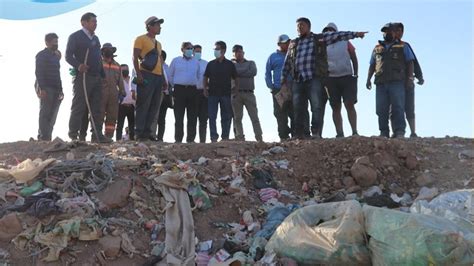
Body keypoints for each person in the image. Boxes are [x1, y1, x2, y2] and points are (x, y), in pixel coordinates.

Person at [282, 17, 367, 139]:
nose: (299, 28)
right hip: (299, 79)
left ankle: (316, 132)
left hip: (315, 78)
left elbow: (339, 36)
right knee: (298, 107)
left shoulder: (319, 39)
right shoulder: (294, 43)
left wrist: (355, 34)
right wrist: (283, 76)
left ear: (309, 27)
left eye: (302, 25)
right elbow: (287, 61)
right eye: (298, 26)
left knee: (317, 106)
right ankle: (299, 134)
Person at [66, 12, 111, 143]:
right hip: (83, 76)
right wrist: (78, 65)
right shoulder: (76, 37)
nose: (95, 24)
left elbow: (98, 58)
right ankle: (73, 135)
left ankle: (97, 135)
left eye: (96, 21)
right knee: (79, 105)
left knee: (97, 107)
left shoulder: (95, 39)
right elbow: (68, 55)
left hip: (96, 77)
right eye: (93, 21)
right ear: (84, 22)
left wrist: (103, 75)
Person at [366, 23, 415, 138]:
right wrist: (368, 79)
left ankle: (399, 132)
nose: (387, 33)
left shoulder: (403, 46)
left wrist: (410, 78)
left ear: (394, 33)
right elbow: (372, 64)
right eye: (385, 31)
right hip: (380, 83)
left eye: (389, 31)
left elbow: (410, 62)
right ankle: (383, 132)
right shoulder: (377, 48)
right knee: (381, 109)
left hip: (397, 81)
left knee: (398, 107)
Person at [265, 34, 310, 141]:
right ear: (279, 44)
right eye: (285, 42)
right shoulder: (273, 57)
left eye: (288, 42)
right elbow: (267, 73)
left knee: (295, 112)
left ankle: (296, 135)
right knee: (280, 114)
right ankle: (284, 136)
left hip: (294, 87)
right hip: (278, 89)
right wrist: (271, 87)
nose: (287, 44)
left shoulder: (293, 54)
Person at [132, 16, 167, 141]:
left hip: (158, 77)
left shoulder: (158, 44)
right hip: (146, 75)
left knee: (154, 105)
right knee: (143, 104)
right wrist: (139, 75)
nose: (160, 27)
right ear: (150, 26)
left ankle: (147, 133)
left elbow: (159, 62)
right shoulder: (140, 39)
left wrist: (163, 79)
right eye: (157, 25)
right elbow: (134, 57)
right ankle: (139, 133)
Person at [322, 22, 359, 138]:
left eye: (331, 30)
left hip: (347, 76)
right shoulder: (322, 44)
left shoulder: (345, 41)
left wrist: (355, 74)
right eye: (326, 30)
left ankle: (354, 131)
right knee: (335, 106)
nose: (328, 32)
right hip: (331, 78)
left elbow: (353, 56)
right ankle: (340, 133)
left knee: (349, 104)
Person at [391, 22, 424, 138]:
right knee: (395, 107)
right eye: (396, 30)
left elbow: (413, 61)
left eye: (400, 31)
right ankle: (396, 131)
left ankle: (413, 132)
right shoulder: (386, 46)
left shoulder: (405, 45)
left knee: (409, 107)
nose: (398, 33)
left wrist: (418, 76)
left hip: (407, 80)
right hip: (394, 82)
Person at [204, 41, 238, 142]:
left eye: (217, 49)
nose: (215, 51)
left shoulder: (230, 64)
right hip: (212, 94)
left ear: (223, 50)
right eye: (215, 49)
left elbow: (236, 78)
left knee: (226, 117)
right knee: (212, 116)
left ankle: (225, 137)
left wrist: (236, 89)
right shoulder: (210, 64)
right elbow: (205, 76)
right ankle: (213, 137)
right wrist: (205, 88)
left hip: (226, 94)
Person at [168, 42, 200, 143]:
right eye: (187, 48)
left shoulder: (196, 62)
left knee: (192, 116)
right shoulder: (176, 61)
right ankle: (178, 140)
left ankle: (190, 139)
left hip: (192, 90)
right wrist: (176, 85)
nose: (190, 50)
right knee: (179, 116)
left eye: (191, 48)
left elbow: (198, 76)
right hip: (179, 90)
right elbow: (170, 75)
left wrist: (191, 83)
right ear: (182, 50)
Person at [231, 44, 263, 142]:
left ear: (243, 52)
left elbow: (253, 72)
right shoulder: (230, 64)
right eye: (236, 52)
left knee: (254, 117)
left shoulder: (251, 63)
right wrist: (244, 71)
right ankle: (240, 138)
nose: (239, 54)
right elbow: (232, 73)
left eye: (240, 51)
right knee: (237, 118)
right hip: (236, 93)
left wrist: (237, 72)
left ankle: (259, 138)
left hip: (249, 93)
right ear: (233, 54)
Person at [35, 32, 63, 141]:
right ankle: (43, 137)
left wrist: (61, 90)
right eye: (53, 42)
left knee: (52, 115)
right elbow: (38, 72)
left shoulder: (56, 57)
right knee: (45, 113)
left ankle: (47, 137)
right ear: (47, 42)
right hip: (46, 88)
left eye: (56, 42)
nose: (56, 44)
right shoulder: (41, 55)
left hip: (56, 89)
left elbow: (58, 74)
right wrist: (42, 88)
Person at [100, 43, 125, 139]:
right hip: (100, 93)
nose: (108, 51)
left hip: (114, 94)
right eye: (106, 50)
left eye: (110, 49)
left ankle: (108, 137)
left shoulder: (117, 66)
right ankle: (97, 135)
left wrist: (122, 92)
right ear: (102, 52)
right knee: (99, 114)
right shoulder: (99, 63)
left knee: (112, 116)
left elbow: (120, 81)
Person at [155, 50, 173, 142]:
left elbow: (170, 81)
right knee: (154, 116)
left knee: (162, 118)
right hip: (155, 95)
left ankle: (160, 137)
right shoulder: (153, 66)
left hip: (165, 96)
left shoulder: (167, 68)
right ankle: (152, 135)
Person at [116, 64, 135, 141]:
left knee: (132, 125)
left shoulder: (132, 80)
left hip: (132, 106)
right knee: (120, 124)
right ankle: (118, 140)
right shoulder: (118, 81)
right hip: (122, 106)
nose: (125, 71)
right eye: (123, 70)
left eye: (126, 69)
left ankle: (132, 140)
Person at [194, 44, 209, 143]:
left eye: (200, 51)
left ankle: (202, 141)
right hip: (192, 92)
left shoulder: (206, 63)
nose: (198, 53)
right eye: (196, 51)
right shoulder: (190, 63)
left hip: (204, 92)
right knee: (192, 117)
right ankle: (190, 140)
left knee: (203, 118)